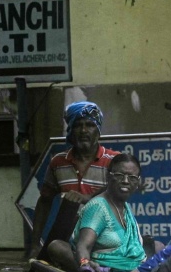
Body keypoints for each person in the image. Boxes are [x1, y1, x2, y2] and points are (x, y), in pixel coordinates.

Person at [29, 101, 119, 260]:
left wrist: (87, 198)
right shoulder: (58, 162)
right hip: (68, 244)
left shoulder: (114, 160)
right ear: (70, 129)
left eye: (90, 125)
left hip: (106, 242)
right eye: (78, 125)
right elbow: (44, 201)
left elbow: (124, 188)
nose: (84, 130)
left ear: (98, 130)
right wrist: (35, 244)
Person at [47, 153, 146, 272]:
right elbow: (83, 246)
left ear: (138, 181)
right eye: (120, 175)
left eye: (132, 177)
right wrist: (85, 263)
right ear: (108, 177)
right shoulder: (98, 207)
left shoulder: (126, 208)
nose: (125, 181)